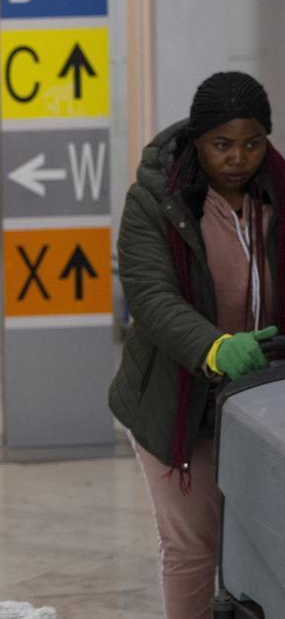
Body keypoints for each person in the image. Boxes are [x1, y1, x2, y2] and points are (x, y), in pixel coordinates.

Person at [110, 71, 284, 619]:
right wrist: (215, 348)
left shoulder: (277, 194)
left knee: (260, 544)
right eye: (223, 144)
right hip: (175, 400)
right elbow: (152, 297)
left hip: (264, 404)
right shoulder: (155, 200)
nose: (238, 158)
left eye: (253, 143)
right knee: (193, 548)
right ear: (199, 139)